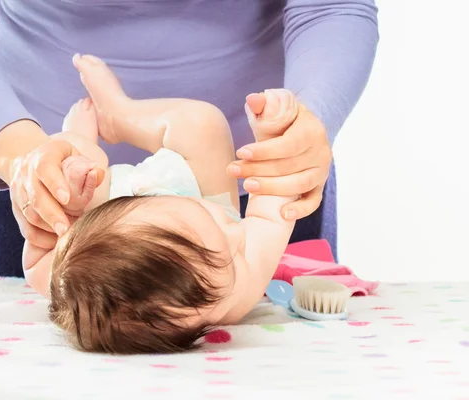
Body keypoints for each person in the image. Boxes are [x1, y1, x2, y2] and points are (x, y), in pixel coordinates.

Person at [0, 1, 379, 277]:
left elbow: (331, 7)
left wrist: (301, 130)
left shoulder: (230, 270)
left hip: (63, 194)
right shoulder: (234, 275)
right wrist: (26, 159)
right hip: (34, 179)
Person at [25, 54, 298, 354]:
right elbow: (269, 217)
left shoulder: (78, 280)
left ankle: (87, 134)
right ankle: (121, 116)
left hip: (108, 206)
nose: (237, 234)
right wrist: (277, 139)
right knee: (203, 124)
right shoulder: (235, 296)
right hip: (190, 190)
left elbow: (38, 261)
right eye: (233, 261)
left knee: (71, 186)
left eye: (225, 237)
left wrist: (63, 216)